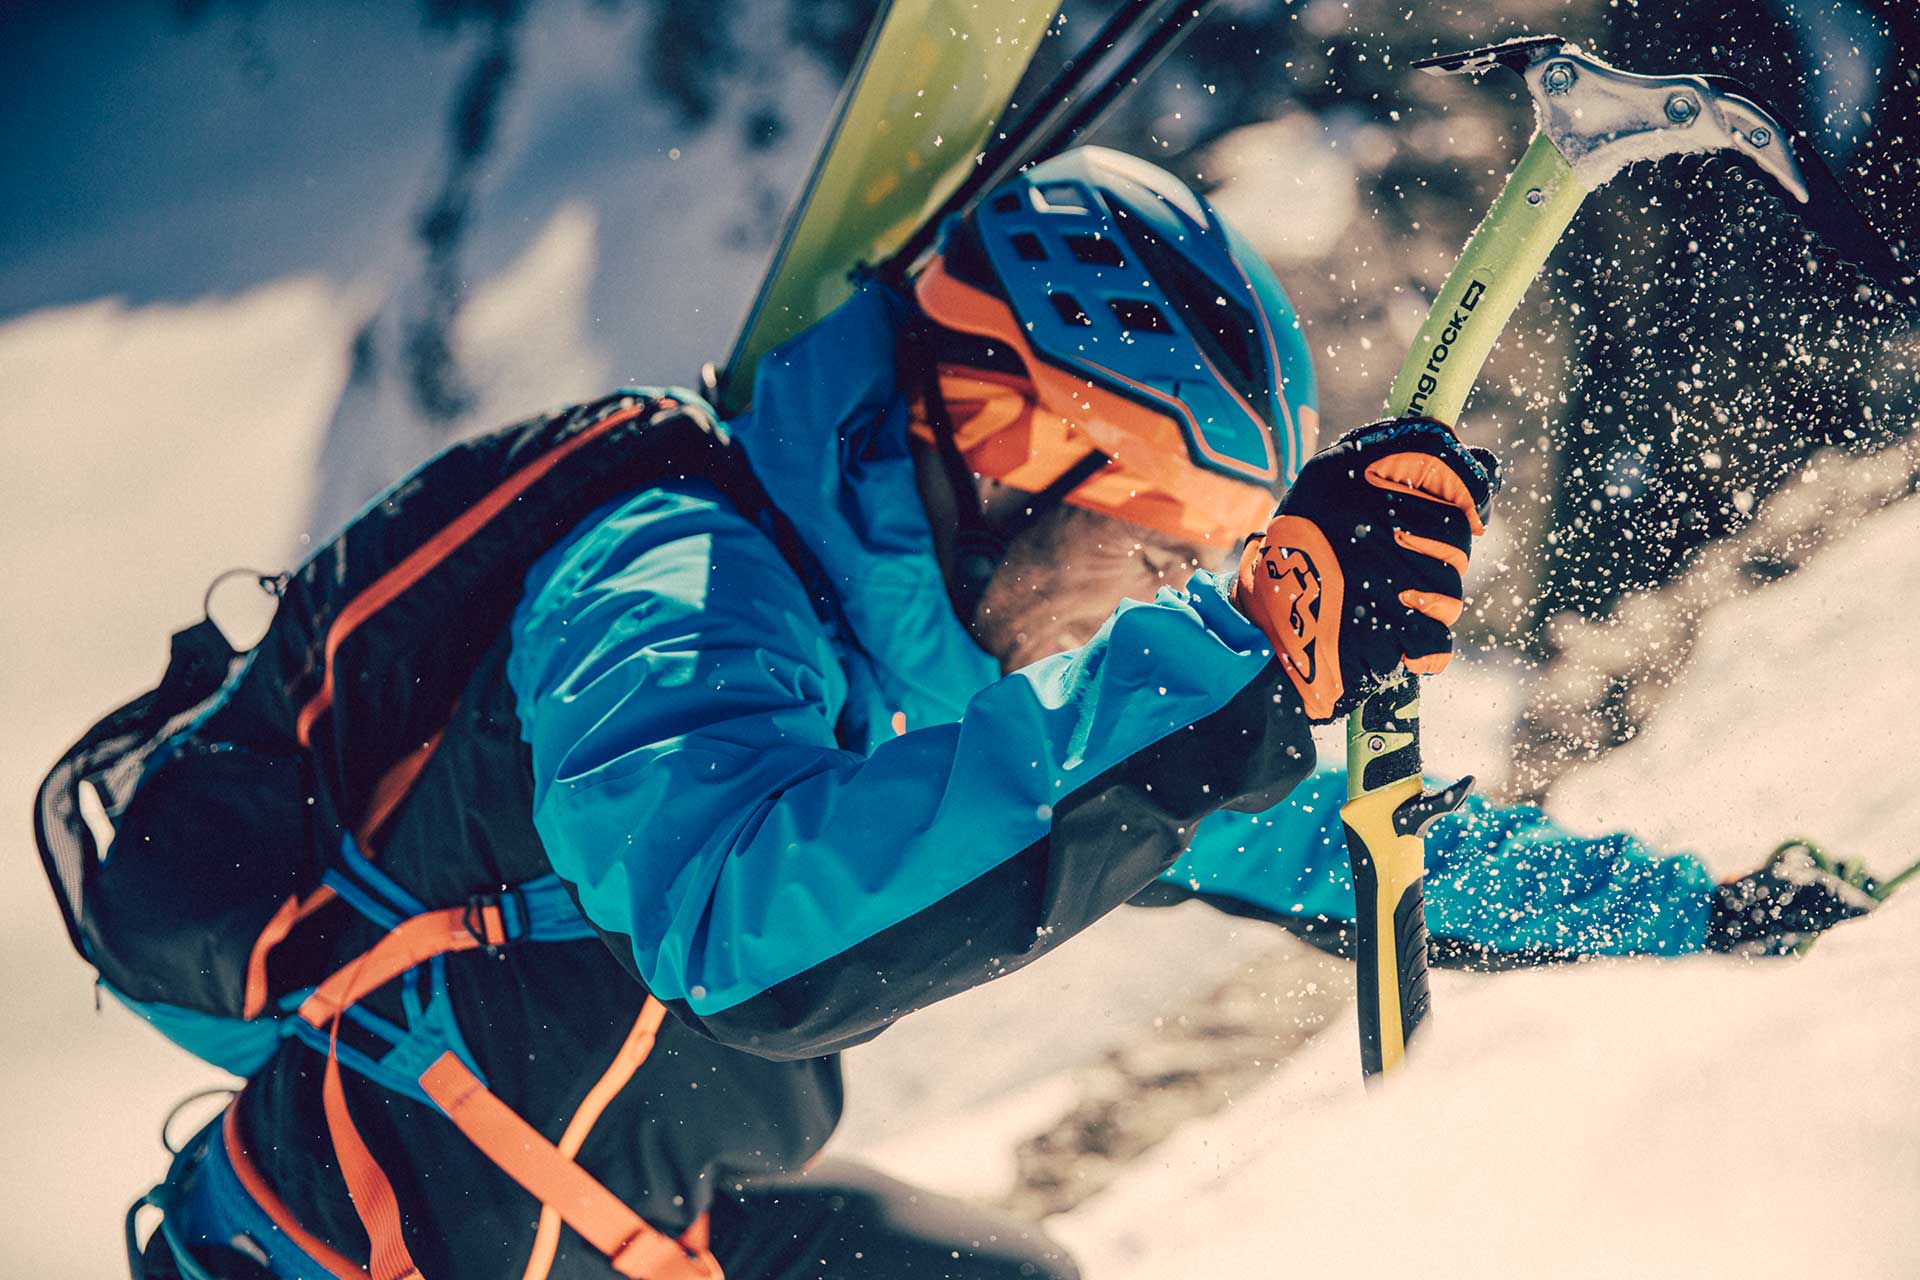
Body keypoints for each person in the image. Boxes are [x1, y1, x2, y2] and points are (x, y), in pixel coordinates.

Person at [115, 147, 1875, 1280]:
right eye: (1159, 527)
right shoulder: (665, 579)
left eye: (1216, 545)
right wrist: (1239, 664)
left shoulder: (956, 658)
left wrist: (1705, 920)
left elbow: (1338, 839)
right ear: (1017, 452)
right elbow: (736, 928)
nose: (1168, 583)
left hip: (629, 1228)